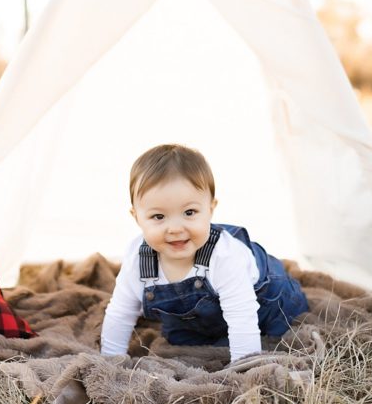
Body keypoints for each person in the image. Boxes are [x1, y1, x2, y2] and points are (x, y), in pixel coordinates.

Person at [100, 144, 309, 362]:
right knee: (178, 341)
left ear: (210, 208)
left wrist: (244, 368)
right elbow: (120, 314)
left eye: (189, 212)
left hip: (266, 302)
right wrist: (110, 361)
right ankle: (215, 340)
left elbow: (241, 318)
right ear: (137, 217)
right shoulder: (137, 260)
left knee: (283, 330)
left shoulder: (225, 256)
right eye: (158, 217)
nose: (175, 228)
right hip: (198, 322)